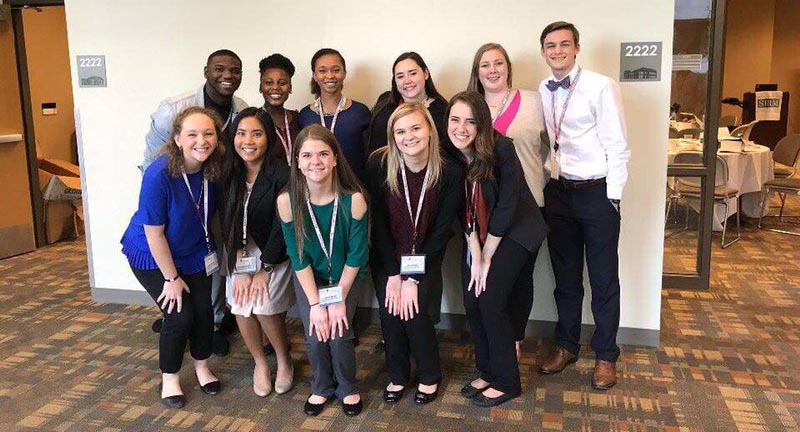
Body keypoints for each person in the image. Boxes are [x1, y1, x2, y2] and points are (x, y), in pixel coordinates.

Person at [535, 21, 630, 391]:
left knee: (604, 279)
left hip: (597, 193)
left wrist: (614, 197)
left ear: (577, 48)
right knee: (566, 277)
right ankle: (567, 346)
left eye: (563, 44)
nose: (556, 51)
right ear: (543, 51)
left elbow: (618, 145)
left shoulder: (601, 86)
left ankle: (606, 355)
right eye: (549, 46)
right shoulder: (544, 89)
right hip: (559, 192)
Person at [142, 49, 248, 356]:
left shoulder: (239, 109)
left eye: (234, 71)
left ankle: (212, 321)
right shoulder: (173, 109)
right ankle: (177, 313)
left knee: (209, 255)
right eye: (219, 69)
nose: (227, 76)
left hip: (213, 194)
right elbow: (151, 162)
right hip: (177, 196)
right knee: (175, 249)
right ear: (206, 71)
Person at [448, 91, 548, 407]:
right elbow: (459, 210)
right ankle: (488, 370)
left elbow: (507, 204)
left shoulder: (501, 147)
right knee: (471, 299)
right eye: (454, 119)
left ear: (482, 124)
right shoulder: (449, 156)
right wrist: (474, 253)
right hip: (476, 235)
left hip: (517, 231)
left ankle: (507, 381)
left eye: (470, 121)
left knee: (490, 298)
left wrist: (487, 254)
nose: (460, 128)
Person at [121, 106, 225, 408]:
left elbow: (210, 214)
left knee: (205, 311)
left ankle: (203, 366)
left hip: (194, 251)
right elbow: (154, 234)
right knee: (180, 316)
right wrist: (171, 278)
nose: (201, 141)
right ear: (178, 138)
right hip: (153, 255)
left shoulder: (213, 167)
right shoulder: (159, 173)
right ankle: (170, 377)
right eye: (192, 134)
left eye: (208, 133)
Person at [364, 103, 464, 405]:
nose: (409, 136)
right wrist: (395, 273)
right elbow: (378, 222)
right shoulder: (379, 164)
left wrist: (412, 277)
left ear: (430, 130)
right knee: (391, 312)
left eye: (416, 128)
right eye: (401, 131)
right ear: (393, 136)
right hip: (386, 255)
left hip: (425, 256)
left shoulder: (450, 171)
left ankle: (430, 375)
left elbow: (442, 231)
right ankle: (397, 375)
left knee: (416, 313)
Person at [277, 124, 368, 417]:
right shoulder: (287, 201)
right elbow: (297, 256)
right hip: (310, 279)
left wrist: (339, 298)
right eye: (307, 155)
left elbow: (357, 255)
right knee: (316, 333)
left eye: (323, 154)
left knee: (340, 332)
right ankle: (322, 386)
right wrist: (316, 303)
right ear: (297, 162)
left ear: (335, 159)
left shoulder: (353, 199)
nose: (315, 161)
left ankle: (347, 386)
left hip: (345, 276)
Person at [468, 43, 550, 358]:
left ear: (508, 67)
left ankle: (514, 339)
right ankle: (492, 339)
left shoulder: (534, 102)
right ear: (477, 72)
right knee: (488, 279)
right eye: (485, 65)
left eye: (498, 63)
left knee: (519, 279)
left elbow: (555, 146)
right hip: (484, 211)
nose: (492, 70)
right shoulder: (470, 110)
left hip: (528, 207)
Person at [220, 108, 294, 397]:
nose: (247, 141)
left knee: (262, 303)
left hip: (273, 251)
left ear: (269, 138)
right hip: (238, 251)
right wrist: (237, 270)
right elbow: (222, 222)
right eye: (241, 133)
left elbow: (282, 226)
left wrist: (264, 269)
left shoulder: (282, 174)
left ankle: (284, 359)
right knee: (240, 303)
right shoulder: (226, 172)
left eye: (256, 133)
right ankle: (260, 363)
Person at [367, 52, 457, 162]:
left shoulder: (443, 112)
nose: (407, 81)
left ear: (426, 73)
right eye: (400, 76)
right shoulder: (384, 102)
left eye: (413, 73)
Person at [298, 48, 370, 180]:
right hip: (316, 191)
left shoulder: (360, 112)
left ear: (344, 73)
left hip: (354, 189)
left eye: (336, 70)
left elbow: (368, 157)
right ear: (315, 75)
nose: (330, 76)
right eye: (322, 71)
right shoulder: (304, 116)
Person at [258, 53, 300, 165]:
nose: (276, 87)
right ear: (260, 87)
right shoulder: (253, 121)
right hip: (269, 182)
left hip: (300, 182)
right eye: (269, 83)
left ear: (290, 87)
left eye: (282, 83)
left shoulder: (299, 119)